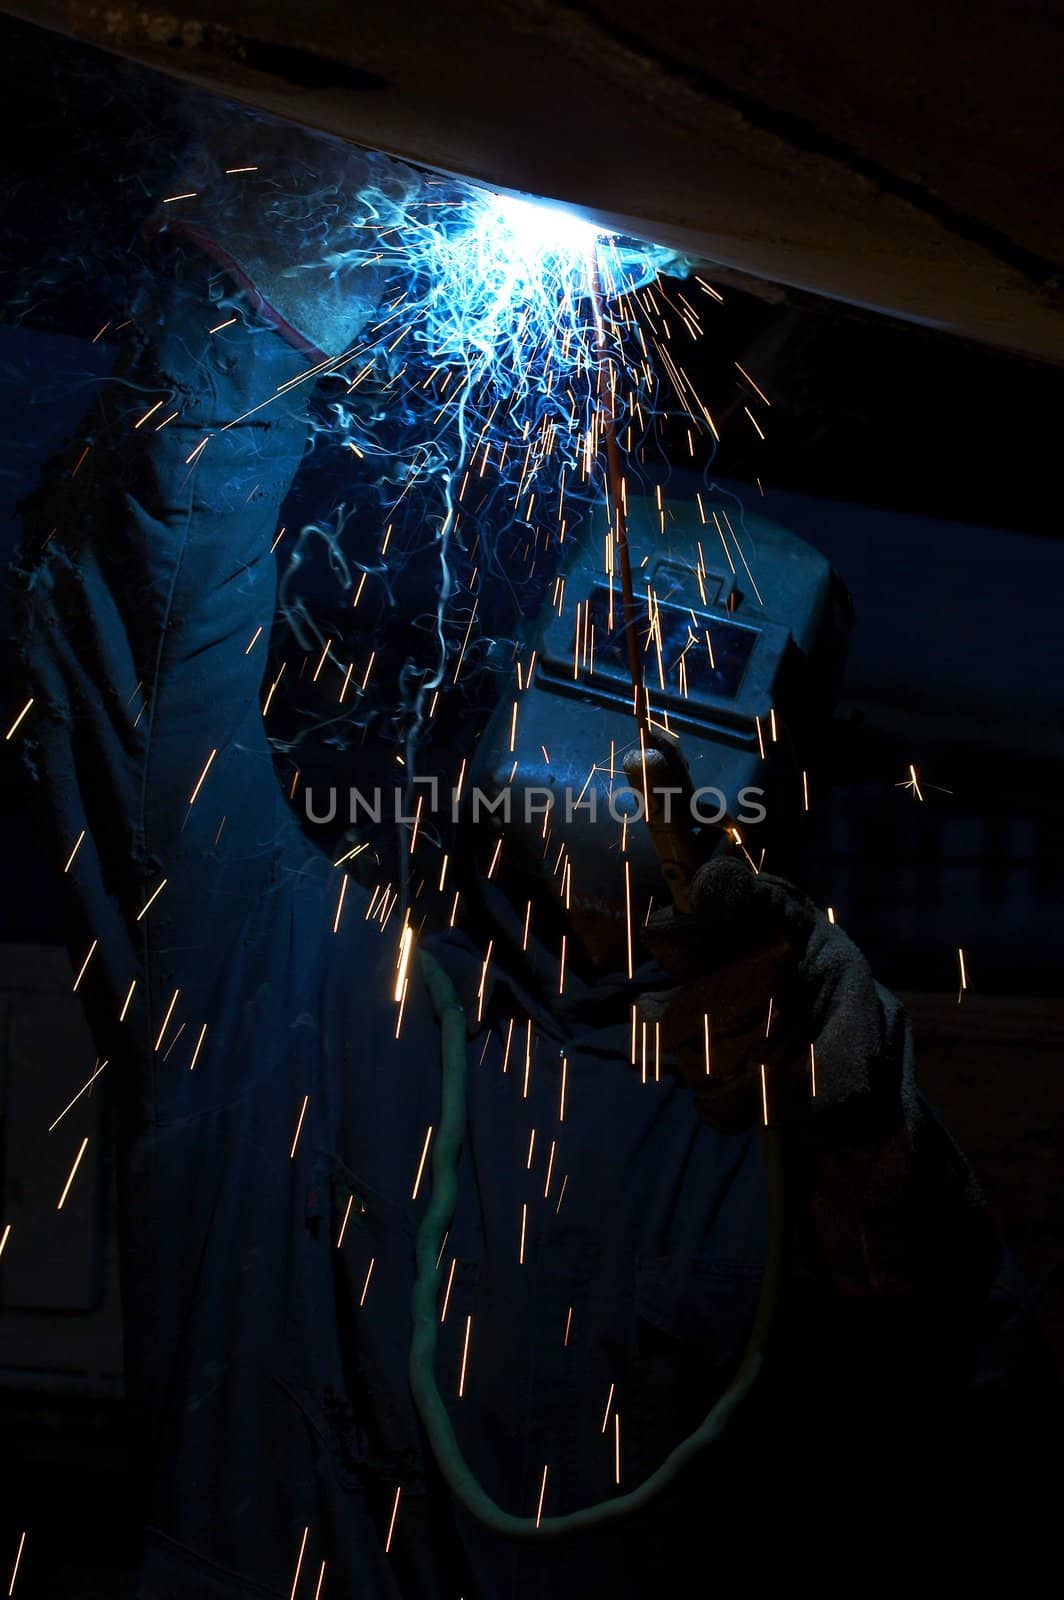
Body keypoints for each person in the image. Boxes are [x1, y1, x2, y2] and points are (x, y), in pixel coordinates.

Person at [10, 121, 1052, 1598]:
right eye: (614, 652)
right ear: (508, 679)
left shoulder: (777, 1106)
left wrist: (880, 1147)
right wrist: (281, 265)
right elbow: (140, 610)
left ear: (779, 774)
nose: (641, 720)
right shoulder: (278, 965)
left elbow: (974, 1441)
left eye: (704, 684)